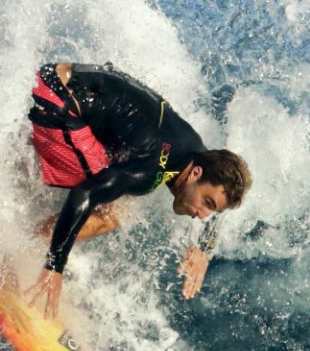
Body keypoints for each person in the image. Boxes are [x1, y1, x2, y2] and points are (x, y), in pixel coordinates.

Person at [24, 61, 251, 317]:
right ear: (196, 173)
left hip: (65, 80)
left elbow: (217, 201)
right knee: (104, 200)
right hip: (56, 98)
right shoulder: (150, 168)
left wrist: (204, 250)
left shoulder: (198, 152)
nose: (201, 215)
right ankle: (24, 248)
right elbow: (85, 192)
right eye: (207, 203)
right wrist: (55, 267)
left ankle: (18, 171)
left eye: (211, 211)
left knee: (114, 204)